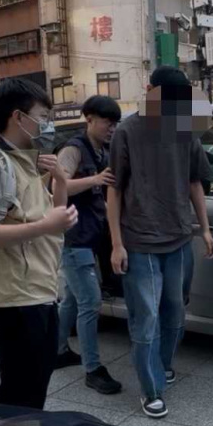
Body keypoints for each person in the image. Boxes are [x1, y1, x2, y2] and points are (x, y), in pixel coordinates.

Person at [107, 66, 213, 418]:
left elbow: (194, 182)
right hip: (139, 242)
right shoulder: (126, 131)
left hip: (179, 238)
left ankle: (162, 364)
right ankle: (150, 389)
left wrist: (204, 228)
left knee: (175, 314)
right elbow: (114, 189)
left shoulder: (186, 129)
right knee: (146, 319)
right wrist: (116, 243)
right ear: (149, 90)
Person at [0, 78, 77, 410]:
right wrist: (45, 225)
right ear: (18, 117)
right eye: (43, 116)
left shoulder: (27, 164)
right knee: (19, 394)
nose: (47, 125)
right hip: (16, 299)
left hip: (41, 291)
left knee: (35, 387)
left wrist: (60, 181)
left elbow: (53, 218)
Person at [55, 95, 123, 395]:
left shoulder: (102, 151)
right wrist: (95, 179)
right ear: (89, 118)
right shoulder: (73, 149)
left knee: (72, 299)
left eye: (115, 123)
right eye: (107, 122)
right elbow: (57, 187)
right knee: (90, 302)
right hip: (74, 239)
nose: (112, 128)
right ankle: (93, 369)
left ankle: (57, 350)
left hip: (89, 237)